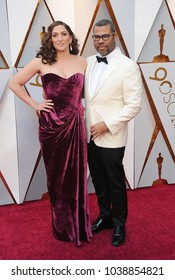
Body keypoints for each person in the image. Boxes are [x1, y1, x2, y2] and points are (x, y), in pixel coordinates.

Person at [9, 20, 92, 246]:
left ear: (71, 37)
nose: (59, 39)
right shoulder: (41, 61)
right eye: (55, 35)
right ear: (50, 39)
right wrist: (35, 104)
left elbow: (86, 93)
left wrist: (80, 107)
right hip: (51, 127)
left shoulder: (83, 61)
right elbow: (14, 83)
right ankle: (62, 226)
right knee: (56, 178)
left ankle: (78, 223)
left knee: (76, 175)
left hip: (75, 124)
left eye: (64, 34)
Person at [84, 19, 142, 247]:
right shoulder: (88, 61)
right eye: (96, 37)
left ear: (114, 36)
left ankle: (119, 223)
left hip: (111, 134)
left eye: (104, 36)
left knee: (115, 181)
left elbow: (134, 105)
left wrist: (106, 124)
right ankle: (105, 217)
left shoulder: (128, 66)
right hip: (89, 134)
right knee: (98, 180)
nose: (100, 41)